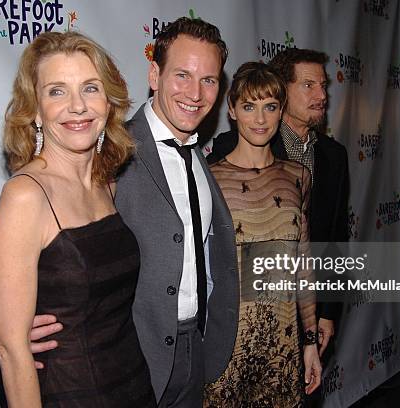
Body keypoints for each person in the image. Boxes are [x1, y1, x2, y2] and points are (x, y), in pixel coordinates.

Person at [28, 18, 239, 407]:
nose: (195, 93)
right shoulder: (108, 150)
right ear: (155, 75)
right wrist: (20, 322)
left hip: (196, 351)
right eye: (182, 75)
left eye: (209, 80)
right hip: (129, 357)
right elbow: (50, 236)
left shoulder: (201, 155)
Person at [0, 31, 156, 407]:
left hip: (133, 384)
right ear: (34, 109)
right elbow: (10, 348)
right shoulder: (26, 196)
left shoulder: (106, 184)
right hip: (70, 394)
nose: (77, 106)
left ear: (109, 102)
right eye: (57, 91)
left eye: (90, 88)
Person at [208, 48, 349, 357]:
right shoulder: (226, 151)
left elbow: (335, 239)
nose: (321, 94)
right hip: (241, 322)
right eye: (309, 85)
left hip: (304, 314)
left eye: (323, 85)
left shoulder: (334, 156)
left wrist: (327, 312)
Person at [204, 62, 321, 407]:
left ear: (280, 111)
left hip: (283, 345)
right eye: (249, 106)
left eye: (270, 107)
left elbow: (304, 265)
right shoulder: (209, 180)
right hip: (227, 347)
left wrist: (310, 342)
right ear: (232, 110)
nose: (259, 119)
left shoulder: (298, 175)